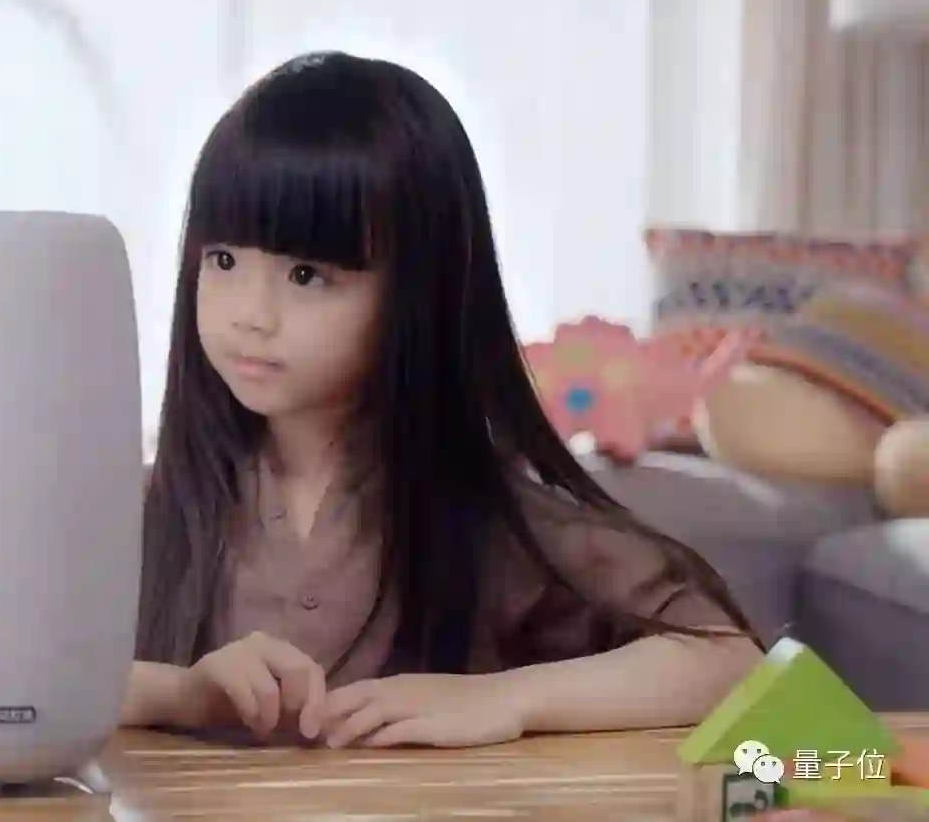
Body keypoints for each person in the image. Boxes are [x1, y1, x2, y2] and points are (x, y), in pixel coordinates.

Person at [119, 50, 762, 749]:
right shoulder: (142, 509)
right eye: (222, 260)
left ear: (417, 292)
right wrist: (181, 693)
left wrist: (510, 698)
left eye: (306, 275)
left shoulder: (486, 522)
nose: (250, 313)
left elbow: (732, 664)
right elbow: (26, 688)